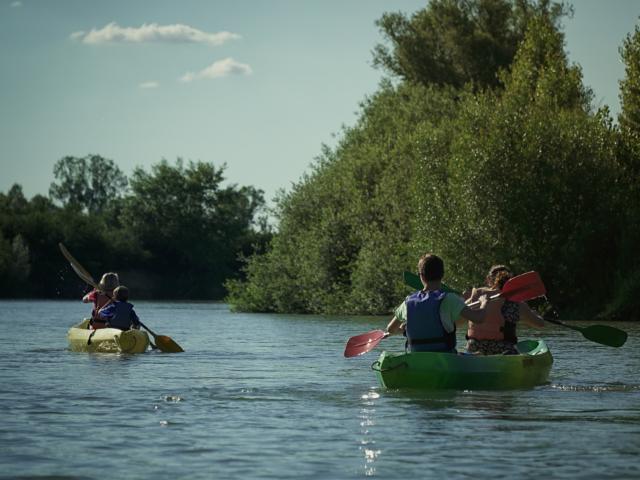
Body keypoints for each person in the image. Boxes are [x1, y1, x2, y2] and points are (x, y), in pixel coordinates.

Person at [385, 253, 494, 353]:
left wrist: (405, 329)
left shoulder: (408, 302)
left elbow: (390, 329)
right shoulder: (450, 298)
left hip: (417, 359)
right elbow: (479, 318)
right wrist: (484, 302)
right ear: (442, 275)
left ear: (421, 276)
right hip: (445, 358)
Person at [464, 265, 545, 355]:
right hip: (503, 350)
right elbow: (540, 324)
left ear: (489, 279)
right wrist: (535, 314)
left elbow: (458, 319)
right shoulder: (517, 304)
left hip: (474, 348)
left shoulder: (476, 298)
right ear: (511, 281)